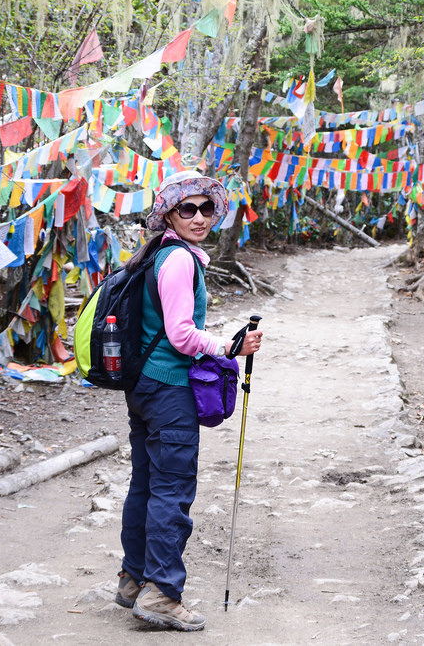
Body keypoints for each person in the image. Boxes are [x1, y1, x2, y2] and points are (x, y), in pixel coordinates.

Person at [114, 170, 263, 631]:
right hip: (168, 390)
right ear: (169, 215)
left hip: (144, 388)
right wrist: (228, 347)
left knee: (146, 485)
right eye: (188, 209)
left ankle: (133, 580)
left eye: (206, 208)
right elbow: (181, 335)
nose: (199, 217)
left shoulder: (157, 253)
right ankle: (162, 592)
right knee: (171, 491)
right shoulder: (178, 260)